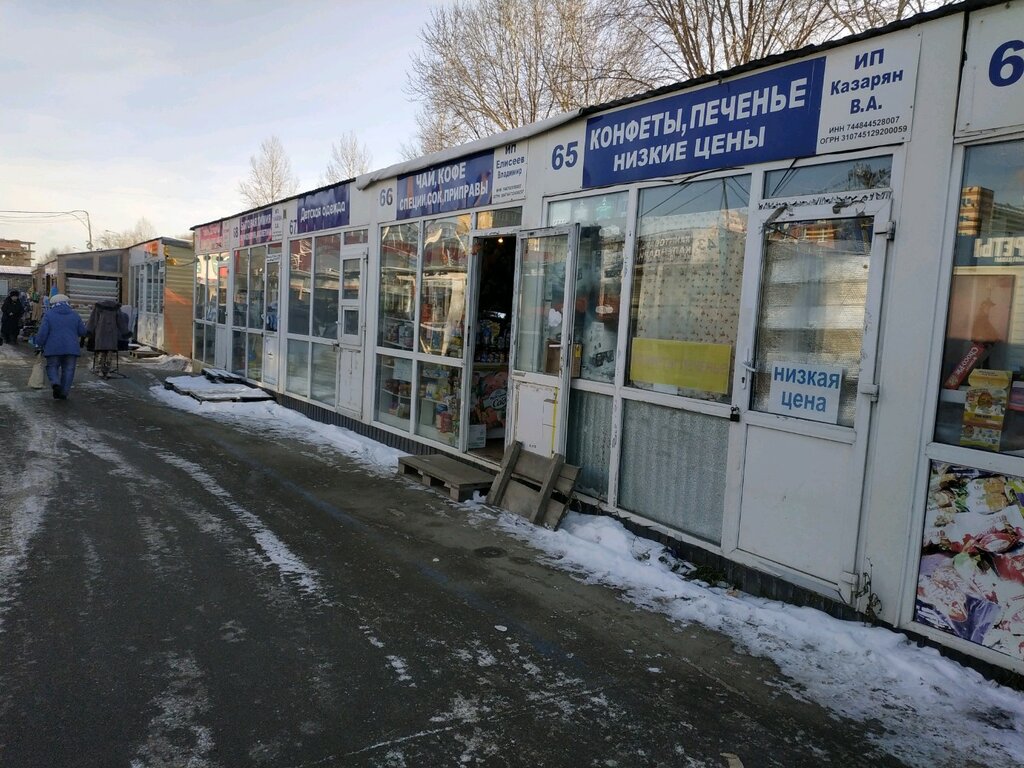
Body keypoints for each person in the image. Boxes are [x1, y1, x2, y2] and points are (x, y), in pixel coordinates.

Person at [34, 293, 87, 400]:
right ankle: (64, 393)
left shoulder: (49, 315)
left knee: (52, 366)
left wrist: (38, 344)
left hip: (53, 348)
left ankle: (55, 383)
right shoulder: (75, 314)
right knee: (69, 370)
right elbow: (82, 331)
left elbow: (43, 333)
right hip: (71, 348)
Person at [86, 299, 130, 378]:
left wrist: (89, 331)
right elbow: (121, 322)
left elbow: (93, 320)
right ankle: (107, 370)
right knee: (109, 352)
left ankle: (100, 369)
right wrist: (125, 333)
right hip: (112, 333)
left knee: (101, 351)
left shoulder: (98, 307)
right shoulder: (116, 308)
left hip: (101, 333)